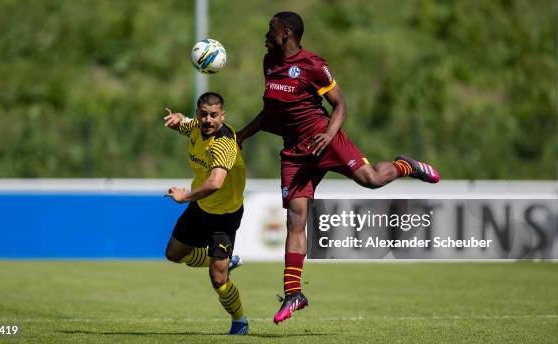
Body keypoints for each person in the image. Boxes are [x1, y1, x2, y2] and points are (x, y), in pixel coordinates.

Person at [236, 11, 440, 325]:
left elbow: (340, 104)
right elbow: (270, 113)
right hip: (295, 152)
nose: (266, 34)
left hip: (324, 138)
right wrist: (241, 137)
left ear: (287, 33)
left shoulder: (313, 66)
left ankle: (405, 165)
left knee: (371, 180)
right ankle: (294, 293)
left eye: (271, 29)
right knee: (295, 217)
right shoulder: (269, 63)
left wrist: (329, 134)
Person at [163, 92, 248, 335]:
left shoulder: (224, 143)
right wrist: (177, 119)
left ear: (223, 115)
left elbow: (215, 183)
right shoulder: (196, 127)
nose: (208, 120)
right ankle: (226, 261)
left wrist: (183, 197)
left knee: (218, 280)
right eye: (203, 115)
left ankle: (240, 321)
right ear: (198, 114)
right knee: (173, 254)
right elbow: (183, 124)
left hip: (225, 215)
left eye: (214, 115)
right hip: (200, 208)